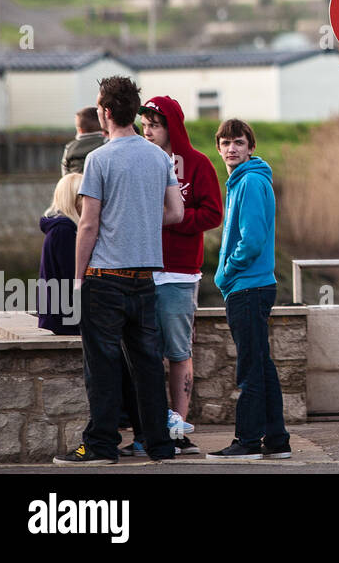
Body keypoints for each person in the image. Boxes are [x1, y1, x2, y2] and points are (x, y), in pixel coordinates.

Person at [55, 76, 184, 465]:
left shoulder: (99, 159)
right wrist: (140, 220)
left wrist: (77, 280)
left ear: (107, 112)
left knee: (103, 366)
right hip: (145, 279)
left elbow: (89, 224)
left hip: (105, 279)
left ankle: (100, 446)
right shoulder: (158, 157)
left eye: (99, 106)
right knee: (147, 365)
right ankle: (160, 446)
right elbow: (177, 213)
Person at [141, 96, 224, 456]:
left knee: (178, 350)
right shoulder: (141, 161)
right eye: (144, 126)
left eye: (155, 125)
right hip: (142, 269)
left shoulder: (198, 164)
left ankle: (177, 426)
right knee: (145, 353)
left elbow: (212, 213)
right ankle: (149, 429)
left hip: (178, 273)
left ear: (171, 125)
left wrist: (174, 221)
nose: (148, 132)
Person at [207, 118, 291, 460]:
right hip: (251, 286)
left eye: (238, 142)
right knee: (261, 364)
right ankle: (276, 440)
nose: (231, 149)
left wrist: (226, 273)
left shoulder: (251, 182)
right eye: (225, 143)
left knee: (250, 367)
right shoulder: (241, 181)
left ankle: (247, 441)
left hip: (248, 286)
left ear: (250, 147)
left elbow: (252, 240)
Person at [37, 172, 83, 336]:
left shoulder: (60, 228)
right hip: (65, 315)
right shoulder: (64, 230)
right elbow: (70, 273)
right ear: (74, 200)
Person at [61, 106, 106, 175]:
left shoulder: (70, 147)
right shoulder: (105, 143)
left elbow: (65, 170)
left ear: (79, 130)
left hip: (75, 183)